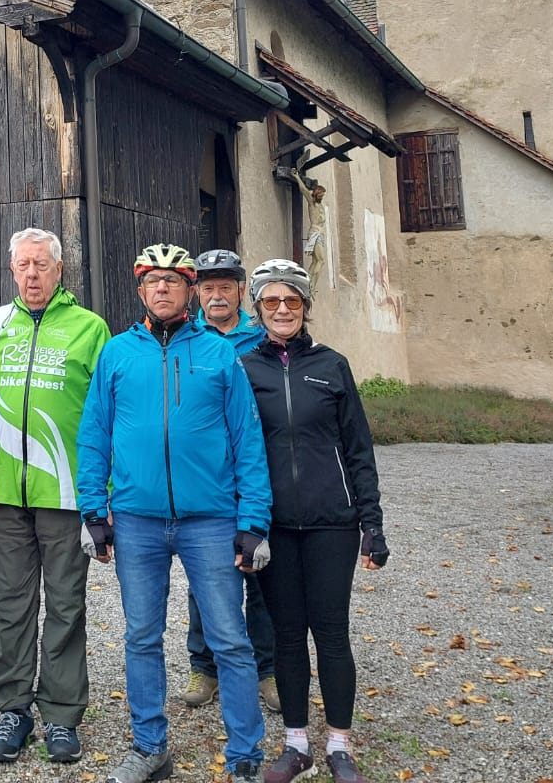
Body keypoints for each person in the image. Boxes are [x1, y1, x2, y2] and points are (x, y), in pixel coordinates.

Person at [77, 244, 272, 783]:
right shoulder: (117, 354)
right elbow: (93, 436)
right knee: (141, 636)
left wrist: (253, 521)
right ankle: (149, 747)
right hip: (136, 520)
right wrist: (93, 510)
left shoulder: (218, 354)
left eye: (172, 280)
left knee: (229, 638)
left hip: (210, 519)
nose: (161, 288)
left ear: (189, 291)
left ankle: (245, 756)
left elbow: (247, 441)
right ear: (140, 291)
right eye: (151, 281)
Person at [0, 228, 110, 766]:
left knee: (67, 604)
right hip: (4, 490)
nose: (31, 274)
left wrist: (103, 490)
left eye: (40, 265)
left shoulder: (90, 328)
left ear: (59, 269)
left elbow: (103, 415)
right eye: (22, 265)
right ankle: (12, 708)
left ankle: (62, 715)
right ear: (12, 270)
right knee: (9, 603)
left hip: (65, 492)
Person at [241, 260, 388, 783]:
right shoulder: (244, 367)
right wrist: (244, 524)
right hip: (272, 524)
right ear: (257, 308)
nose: (282, 310)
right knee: (285, 635)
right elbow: (234, 450)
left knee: (330, 633)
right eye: (272, 302)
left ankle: (340, 746)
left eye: (293, 301)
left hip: (332, 522)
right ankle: (296, 744)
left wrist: (372, 522)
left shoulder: (332, 365)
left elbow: (358, 448)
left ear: (305, 308)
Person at [180, 249, 278, 714]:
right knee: (204, 582)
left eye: (225, 287)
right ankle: (205, 667)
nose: (215, 295)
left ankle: (267, 670)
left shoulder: (260, 341)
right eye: (207, 287)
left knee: (259, 579)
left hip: (251, 478)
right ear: (196, 291)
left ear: (241, 291)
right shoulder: (185, 338)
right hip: (206, 485)